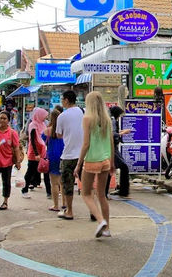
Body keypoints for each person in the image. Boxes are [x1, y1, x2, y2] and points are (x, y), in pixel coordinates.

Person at [74, 91, 115, 238]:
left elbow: (86, 144)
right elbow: (111, 142)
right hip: (105, 160)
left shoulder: (87, 119)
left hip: (92, 160)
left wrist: (78, 164)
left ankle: (100, 220)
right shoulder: (107, 119)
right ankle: (107, 228)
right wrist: (112, 162)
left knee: (86, 193)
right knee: (102, 195)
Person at [56, 90, 84, 220]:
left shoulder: (62, 116)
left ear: (66, 100)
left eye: (62, 99)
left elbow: (59, 134)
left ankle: (70, 211)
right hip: (84, 155)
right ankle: (93, 211)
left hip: (68, 155)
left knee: (67, 184)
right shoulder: (83, 112)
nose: (62, 101)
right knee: (88, 184)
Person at [22, 107, 48, 199]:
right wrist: (36, 153)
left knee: (44, 170)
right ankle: (24, 189)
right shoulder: (33, 125)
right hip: (34, 152)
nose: (45, 118)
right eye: (44, 116)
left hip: (43, 150)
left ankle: (49, 191)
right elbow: (32, 140)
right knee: (31, 171)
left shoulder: (43, 124)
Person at [44, 105, 65, 212]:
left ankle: (56, 205)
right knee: (63, 182)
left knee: (54, 183)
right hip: (64, 155)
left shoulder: (47, 131)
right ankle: (65, 204)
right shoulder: (64, 130)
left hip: (52, 156)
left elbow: (42, 142)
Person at [105, 106, 130, 198]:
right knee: (123, 167)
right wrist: (123, 133)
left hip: (110, 147)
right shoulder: (112, 120)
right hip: (112, 148)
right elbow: (112, 134)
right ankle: (123, 191)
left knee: (110, 170)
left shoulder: (109, 119)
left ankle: (105, 192)